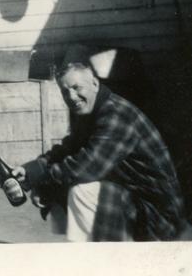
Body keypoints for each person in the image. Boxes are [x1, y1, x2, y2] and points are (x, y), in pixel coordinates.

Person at [11, 56, 186, 242]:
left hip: (157, 214)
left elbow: (86, 167)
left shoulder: (115, 115)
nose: (71, 97)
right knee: (61, 183)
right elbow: (70, 147)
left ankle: (97, 254)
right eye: (65, 91)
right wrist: (31, 170)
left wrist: (42, 182)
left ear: (94, 83)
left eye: (77, 88)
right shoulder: (93, 109)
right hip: (132, 196)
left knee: (81, 190)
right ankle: (83, 246)